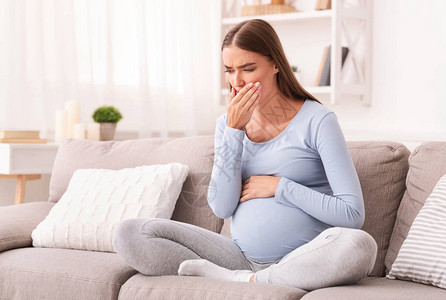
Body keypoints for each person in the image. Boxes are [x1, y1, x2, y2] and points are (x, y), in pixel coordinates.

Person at [113, 19, 377, 291]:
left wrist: (280, 187)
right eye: (229, 71)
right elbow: (222, 207)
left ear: (275, 64)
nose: (237, 82)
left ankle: (252, 281)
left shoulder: (318, 120)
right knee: (130, 234)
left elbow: (352, 214)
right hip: (237, 258)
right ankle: (245, 276)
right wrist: (234, 130)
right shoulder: (226, 125)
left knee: (360, 245)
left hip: (305, 258)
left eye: (248, 69)